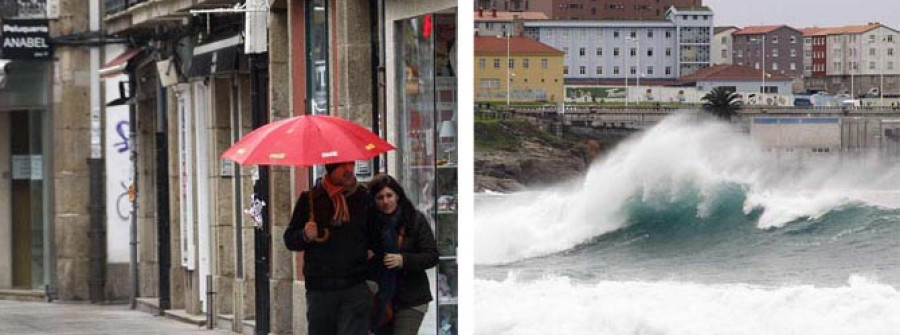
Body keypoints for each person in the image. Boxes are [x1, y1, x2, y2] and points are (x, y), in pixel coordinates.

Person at [284, 161, 372, 335]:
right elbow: (289, 240)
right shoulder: (310, 199)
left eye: (351, 164)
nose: (349, 170)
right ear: (330, 169)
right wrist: (305, 235)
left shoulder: (363, 197)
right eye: (342, 166)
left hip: (355, 286)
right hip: (321, 289)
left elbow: (377, 233)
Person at [367, 174, 438, 335]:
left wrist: (403, 260)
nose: (385, 201)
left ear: (397, 195)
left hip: (412, 298)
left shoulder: (415, 219)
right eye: (380, 197)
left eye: (389, 195)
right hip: (381, 300)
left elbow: (432, 256)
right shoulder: (369, 225)